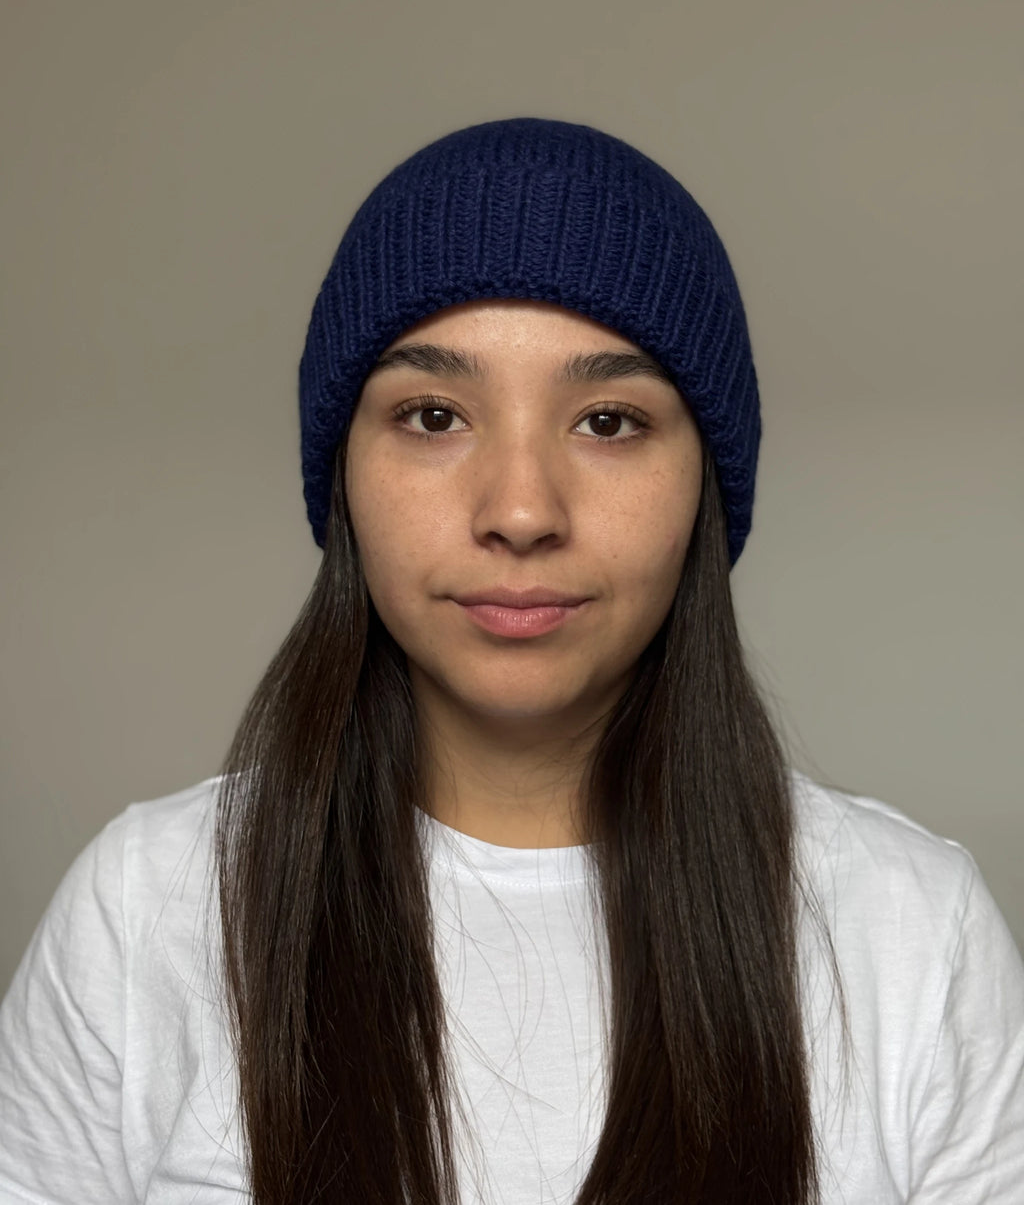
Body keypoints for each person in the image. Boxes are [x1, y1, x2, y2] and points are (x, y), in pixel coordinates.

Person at [1, 117, 1022, 1205]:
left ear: (703, 488)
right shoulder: (148, 907)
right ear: (341, 469)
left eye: (610, 421)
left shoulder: (909, 929)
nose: (522, 510)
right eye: (434, 415)